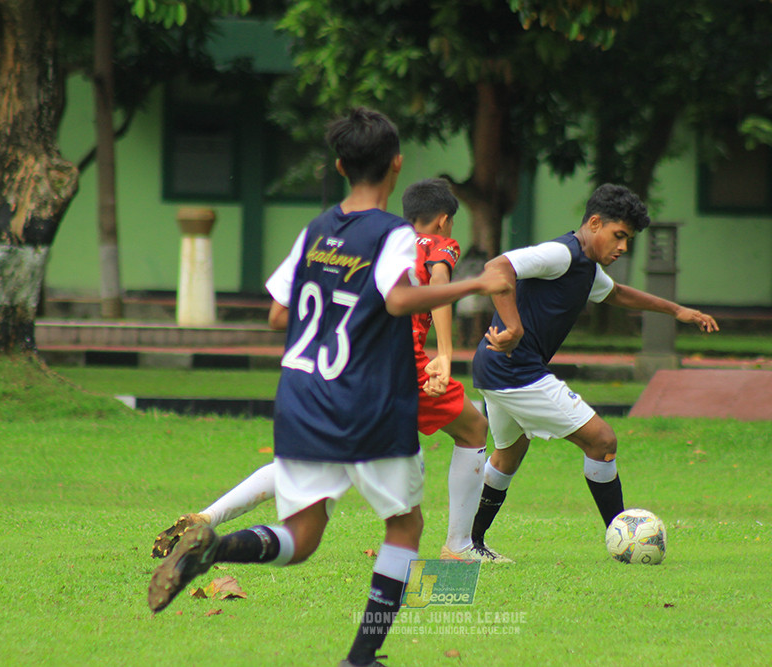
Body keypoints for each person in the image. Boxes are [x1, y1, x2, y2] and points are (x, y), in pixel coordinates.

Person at [146, 107, 508, 667]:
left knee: (302, 538)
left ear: (340, 166)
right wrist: (477, 283)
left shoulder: (315, 230)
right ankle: (361, 659)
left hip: (303, 398)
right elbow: (397, 300)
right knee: (405, 524)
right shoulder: (391, 235)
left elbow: (275, 315)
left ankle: (214, 548)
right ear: (396, 164)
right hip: (368, 401)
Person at [468, 183, 719, 562]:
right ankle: (623, 540)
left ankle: (470, 544)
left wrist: (677, 311)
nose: (623, 247)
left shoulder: (587, 268)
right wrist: (514, 327)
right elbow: (498, 267)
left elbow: (616, 293)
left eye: (628, 239)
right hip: (514, 370)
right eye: (619, 236)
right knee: (602, 441)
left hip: (497, 369)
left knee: (509, 454)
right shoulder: (561, 254)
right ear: (595, 223)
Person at [401, 178, 505, 563]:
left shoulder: (383, 244)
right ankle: (459, 546)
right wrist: (444, 354)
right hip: (403, 365)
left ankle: (212, 515)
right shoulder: (438, 245)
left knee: (321, 459)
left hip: (355, 364)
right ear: (444, 220)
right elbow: (441, 284)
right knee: (475, 428)